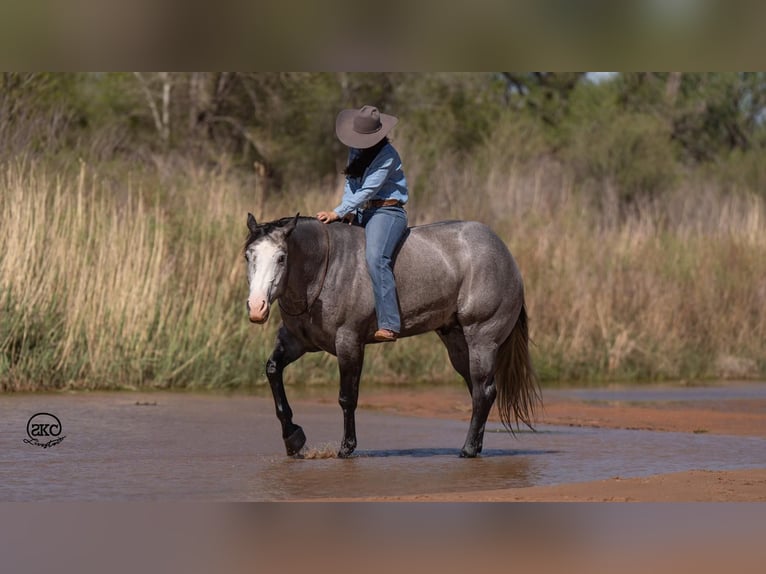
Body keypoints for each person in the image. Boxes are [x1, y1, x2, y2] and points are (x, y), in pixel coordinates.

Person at [317, 105, 408, 342]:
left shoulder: (388, 155)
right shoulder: (356, 149)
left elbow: (368, 190)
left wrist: (337, 212)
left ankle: (389, 323)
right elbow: (351, 184)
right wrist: (347, 210)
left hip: (387, 211)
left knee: (377, 258)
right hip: (361, 210)